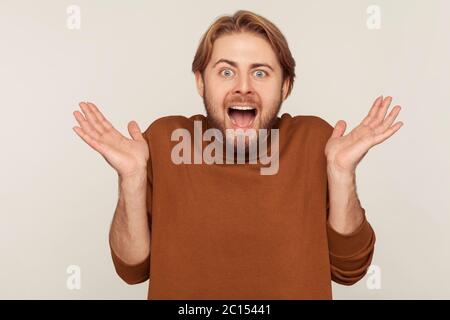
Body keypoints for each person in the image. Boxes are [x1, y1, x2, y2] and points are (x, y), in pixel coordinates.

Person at [72, 10, 403, 299]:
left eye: (260, 72)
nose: (243, 86)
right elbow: (131, 269)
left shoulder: (314, 140)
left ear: (285, 85)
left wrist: (342, 174)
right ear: (201, 81)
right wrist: (131, 179)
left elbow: (351, 270)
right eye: (226, 71)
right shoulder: (165, 140)